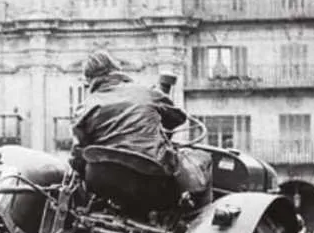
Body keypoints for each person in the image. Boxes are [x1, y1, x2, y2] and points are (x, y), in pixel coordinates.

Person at [70, 51, 212, 209]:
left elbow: (78, 152)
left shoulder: (85, 106)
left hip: (101, 183)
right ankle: (200, 216)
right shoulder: (147, 93)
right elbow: (178, 118)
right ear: (116, 69)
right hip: (150, 182)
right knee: (204, 158)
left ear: (89, 80)